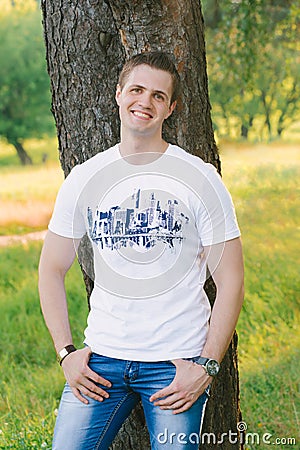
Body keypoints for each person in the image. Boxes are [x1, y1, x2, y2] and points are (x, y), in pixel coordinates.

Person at [38, 51, 244, 450]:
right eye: (136, 89)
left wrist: (207, 365)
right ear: (118, 94)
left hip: (175, 365)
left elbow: (231, 280)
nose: (144, 102)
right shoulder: (85, 178)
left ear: (171, 107)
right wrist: (66, 353)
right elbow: (51, 268)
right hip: (100, 363)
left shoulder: (199, 179)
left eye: (158, 96)